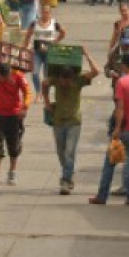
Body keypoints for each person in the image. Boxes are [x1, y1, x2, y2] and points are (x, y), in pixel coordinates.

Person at [90, 52, 129, 206]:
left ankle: (102, 196)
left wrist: (117, 128)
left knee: (110, 162)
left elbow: (120, 108)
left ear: (125, 65)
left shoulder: (122, 82)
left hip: (125, 128)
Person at [42, 47, 100, 195]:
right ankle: (69, 173)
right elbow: (44, 83)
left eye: (67, 80)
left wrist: (87, 54)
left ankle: (65, 180)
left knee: (69, 152)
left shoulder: (79, 81)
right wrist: (47, 101)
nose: (64, 83)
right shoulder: (55, 80)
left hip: (74, 122)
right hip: (58, 121)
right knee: (61, 153)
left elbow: (96, 71)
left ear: (72, 77)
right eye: (62, 79)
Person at [0, 40, 32, 189]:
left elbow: (27, 92)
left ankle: (13, 170)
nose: (4, 80)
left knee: (14, 146)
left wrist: (25, 107)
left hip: (14, 116)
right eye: (2, 77)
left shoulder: (18, 75)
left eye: (6, 77)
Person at [22, 3, 66, 94]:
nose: (45, 14)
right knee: (34, 73)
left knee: (47, 76)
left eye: (47, 13)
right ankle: (38, 92)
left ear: (50, 14)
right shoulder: (34, 23)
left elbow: (63, 33)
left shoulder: (54, 24)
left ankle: (45, 93)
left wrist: (55, 42)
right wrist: (24, 47)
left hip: (49, 52)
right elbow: (28, 35)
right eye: (43, 12)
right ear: (41, 13)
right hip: (37, 52)